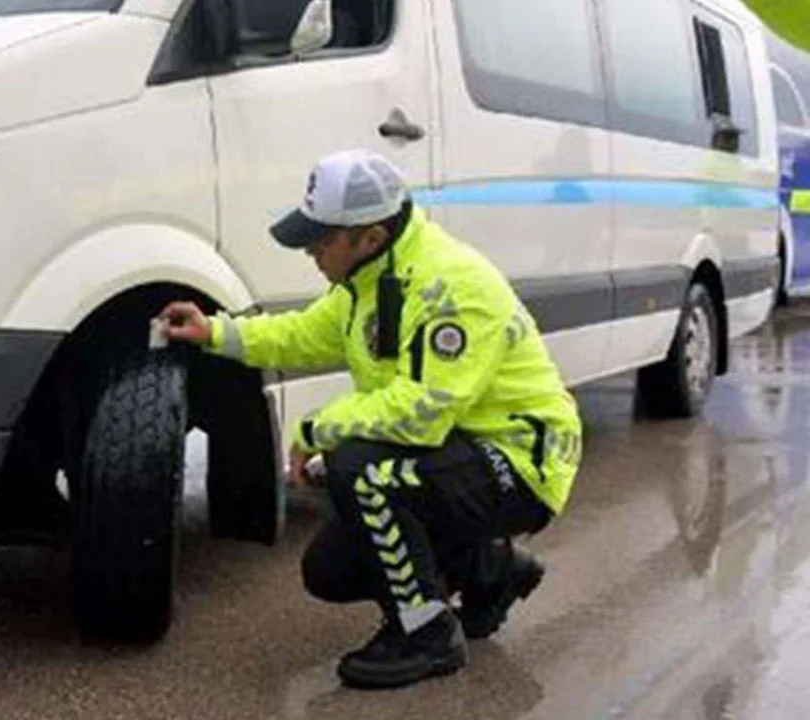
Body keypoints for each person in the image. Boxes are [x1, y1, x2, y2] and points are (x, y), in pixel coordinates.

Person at [157, 149, 582, 689]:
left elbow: (423, 412)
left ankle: (426, 634)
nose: (310, 250)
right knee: (330, 570)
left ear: (372, 236)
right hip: (461, 453)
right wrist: (214, 332)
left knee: (360, 469)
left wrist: (317, 430)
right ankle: (490, 570)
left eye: (322, 238)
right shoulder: (369, 278)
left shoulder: (449, 285)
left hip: (520, 462)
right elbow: (304, 333)